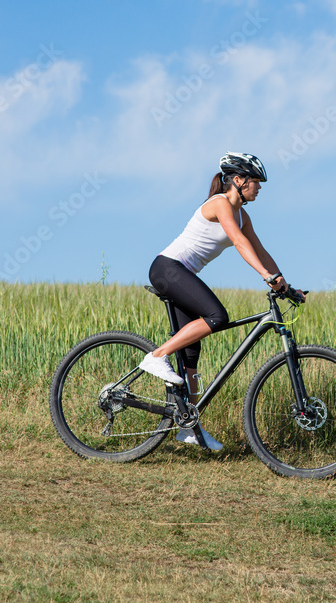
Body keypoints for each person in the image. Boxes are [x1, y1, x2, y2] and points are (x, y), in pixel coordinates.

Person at [139, 152, 303, 450]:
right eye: (256, 182)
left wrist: (284, 284)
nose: (260, 187)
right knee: (217, 316)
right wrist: (266, 276)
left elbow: (260, 249)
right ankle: (156, 356)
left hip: (180, 274)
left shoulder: (243, 215)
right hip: (167, 269)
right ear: (238, 181)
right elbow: (239, 242)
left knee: (190, 357)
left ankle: (189, 426)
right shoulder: (220, 204)